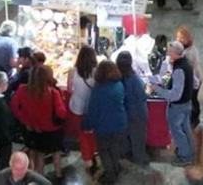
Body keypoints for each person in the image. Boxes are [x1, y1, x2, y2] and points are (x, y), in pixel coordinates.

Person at [10, 64, 67, 179]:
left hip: (34, 128)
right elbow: (62, 113)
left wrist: (25, 120)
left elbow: (14, 107)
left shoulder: (22, 90)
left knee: (39, 154)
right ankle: (58, 174)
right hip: (52, 129)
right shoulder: (53, 93)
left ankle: (40, 178)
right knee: (56, 152)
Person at [83, 60, 128, 184]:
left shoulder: (98, 89)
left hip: (104, 126)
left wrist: (87, 125)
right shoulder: (119, 84)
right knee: (114, 148)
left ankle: (110, 175)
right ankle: (116, 167)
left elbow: (93, 110)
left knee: (104, 151)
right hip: (120, 124)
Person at [152, 41, 195, 166]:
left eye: (170, 52)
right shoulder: (185, 64)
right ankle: (189, 152)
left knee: (177, 131)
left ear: (175, 53)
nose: (168, 54)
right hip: (187, 103)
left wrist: (157, 89)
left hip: (178, 106)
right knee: (186, 129)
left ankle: (185, 156)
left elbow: (175, 95)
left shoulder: (179, 69)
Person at [67, 45, 97, 173]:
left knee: (83, 136)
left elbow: (69, 89)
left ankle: (88, 161)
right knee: (93, 135)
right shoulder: (97, 71)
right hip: (92, 109)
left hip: (76, 108)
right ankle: (95, 155)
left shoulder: (72, 71)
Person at [116, 51, 149, 166]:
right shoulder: (134, 79)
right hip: (138, 113)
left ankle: (126, 156)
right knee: (138, 139)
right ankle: (139, 160)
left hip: (124, 113)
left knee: (125, 138)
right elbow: (143, 96)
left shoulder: (117, 79)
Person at [176, 25, 203, 155]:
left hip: (193, 81)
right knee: (194, 100)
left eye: (181, 38)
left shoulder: (188, 53)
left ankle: (194, 119)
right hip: (195, 79)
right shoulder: (190, 49)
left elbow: (190, 71)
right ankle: (195, 118)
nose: (178, 40)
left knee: (192, 100)